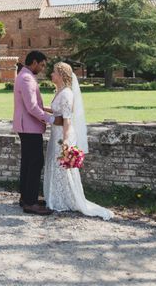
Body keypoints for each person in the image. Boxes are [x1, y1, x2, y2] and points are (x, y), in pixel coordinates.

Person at [43, 62, 114, 220]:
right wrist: (41, 108)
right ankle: (55, 198)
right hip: (56, 133)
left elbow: (67, 119)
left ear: (61, 75)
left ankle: (66, 200)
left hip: (63, 135)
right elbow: (57, 111)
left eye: (54, 72)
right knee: (55, 166)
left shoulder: (67, 93)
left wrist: (67, 140)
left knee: (62, 168)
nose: (51, 74)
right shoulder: (60, 91)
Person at [12, 50, 56, 215]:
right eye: (42, 65)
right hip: (29, 127)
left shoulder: (24, 75)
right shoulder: (27, 78)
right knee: (35, 162)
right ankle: (30, 203)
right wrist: (50, 119)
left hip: (26, 127)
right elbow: (31, 107)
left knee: (28, 162)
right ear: (34, 62)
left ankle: (26, 197)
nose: (43, 68)